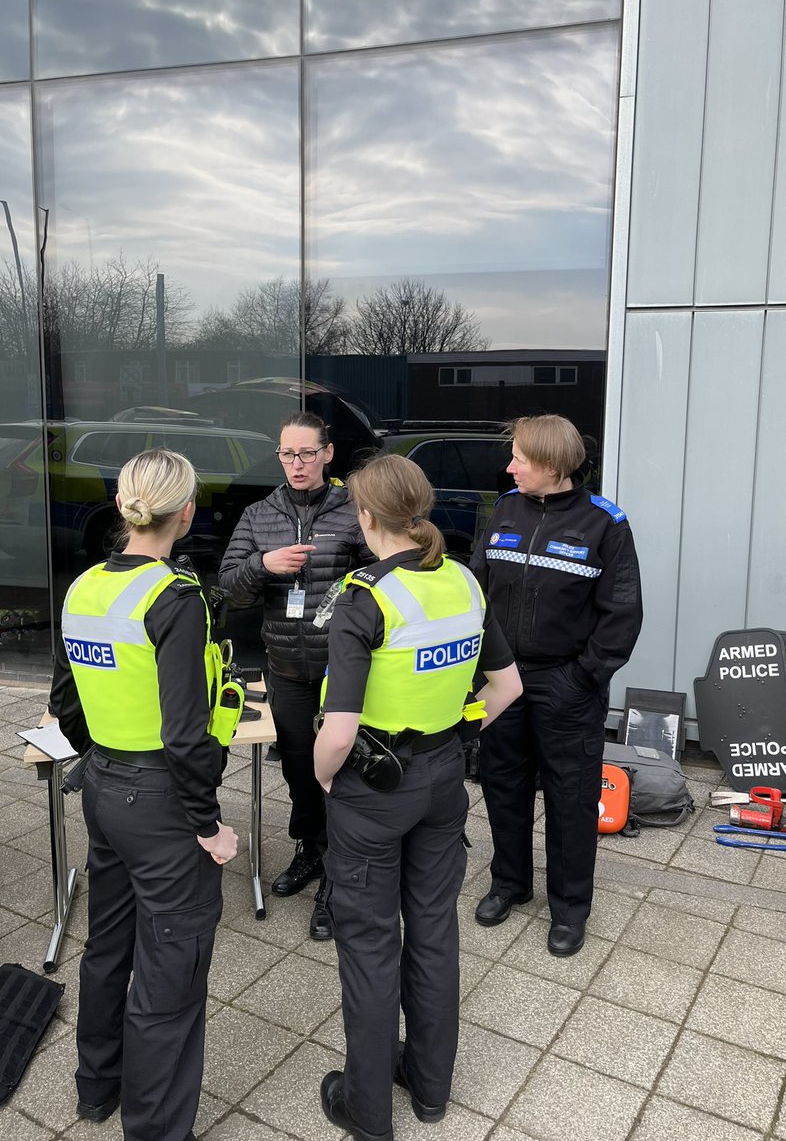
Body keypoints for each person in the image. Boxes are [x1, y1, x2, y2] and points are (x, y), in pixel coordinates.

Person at [313, 453, 521, 1141]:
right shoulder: (462, 580)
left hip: (372, 791)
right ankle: (430, 1090)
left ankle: (367, 1112)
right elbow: (506, 688)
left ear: (366, 516)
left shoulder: (364, 597)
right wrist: (452, 731)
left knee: (370, 946)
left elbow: (339, 731)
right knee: (433, 932)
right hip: (441, 781)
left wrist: (321, 775)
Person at [49, 448, 238, 1141]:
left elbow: (65, 702)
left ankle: (96, 1088)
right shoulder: (175, 600)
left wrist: (104, 752)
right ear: (184, 513)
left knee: (109, 945)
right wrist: (210, 825)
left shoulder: (84, 587)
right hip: (162, 802)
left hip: (103, 786)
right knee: (172, 970)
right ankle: (156, 1129)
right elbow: (188, 736)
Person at [470, 414, 642, 957]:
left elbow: (622, 614)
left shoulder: (605, 524)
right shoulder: (504, 509)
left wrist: (583, 675)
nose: (510, 465)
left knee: (570, 799)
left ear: (551, 464)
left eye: (519, 457)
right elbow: (478, 588)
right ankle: (510, 883)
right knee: (502, 784)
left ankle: (569, 908)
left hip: (566, 683)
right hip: (503, 680)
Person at [219, 411, 371, 941]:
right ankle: (310, 850)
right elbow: (229, 588)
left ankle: (338, 877)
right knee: (302, 773)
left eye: (307, 453)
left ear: (328, 453)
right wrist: (265, 564)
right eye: (287, 453)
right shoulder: (260, 514)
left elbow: (387, 575)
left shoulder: (356, 509)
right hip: (286, 668)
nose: (297, 463)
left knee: (342, 775)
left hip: (346, 675)